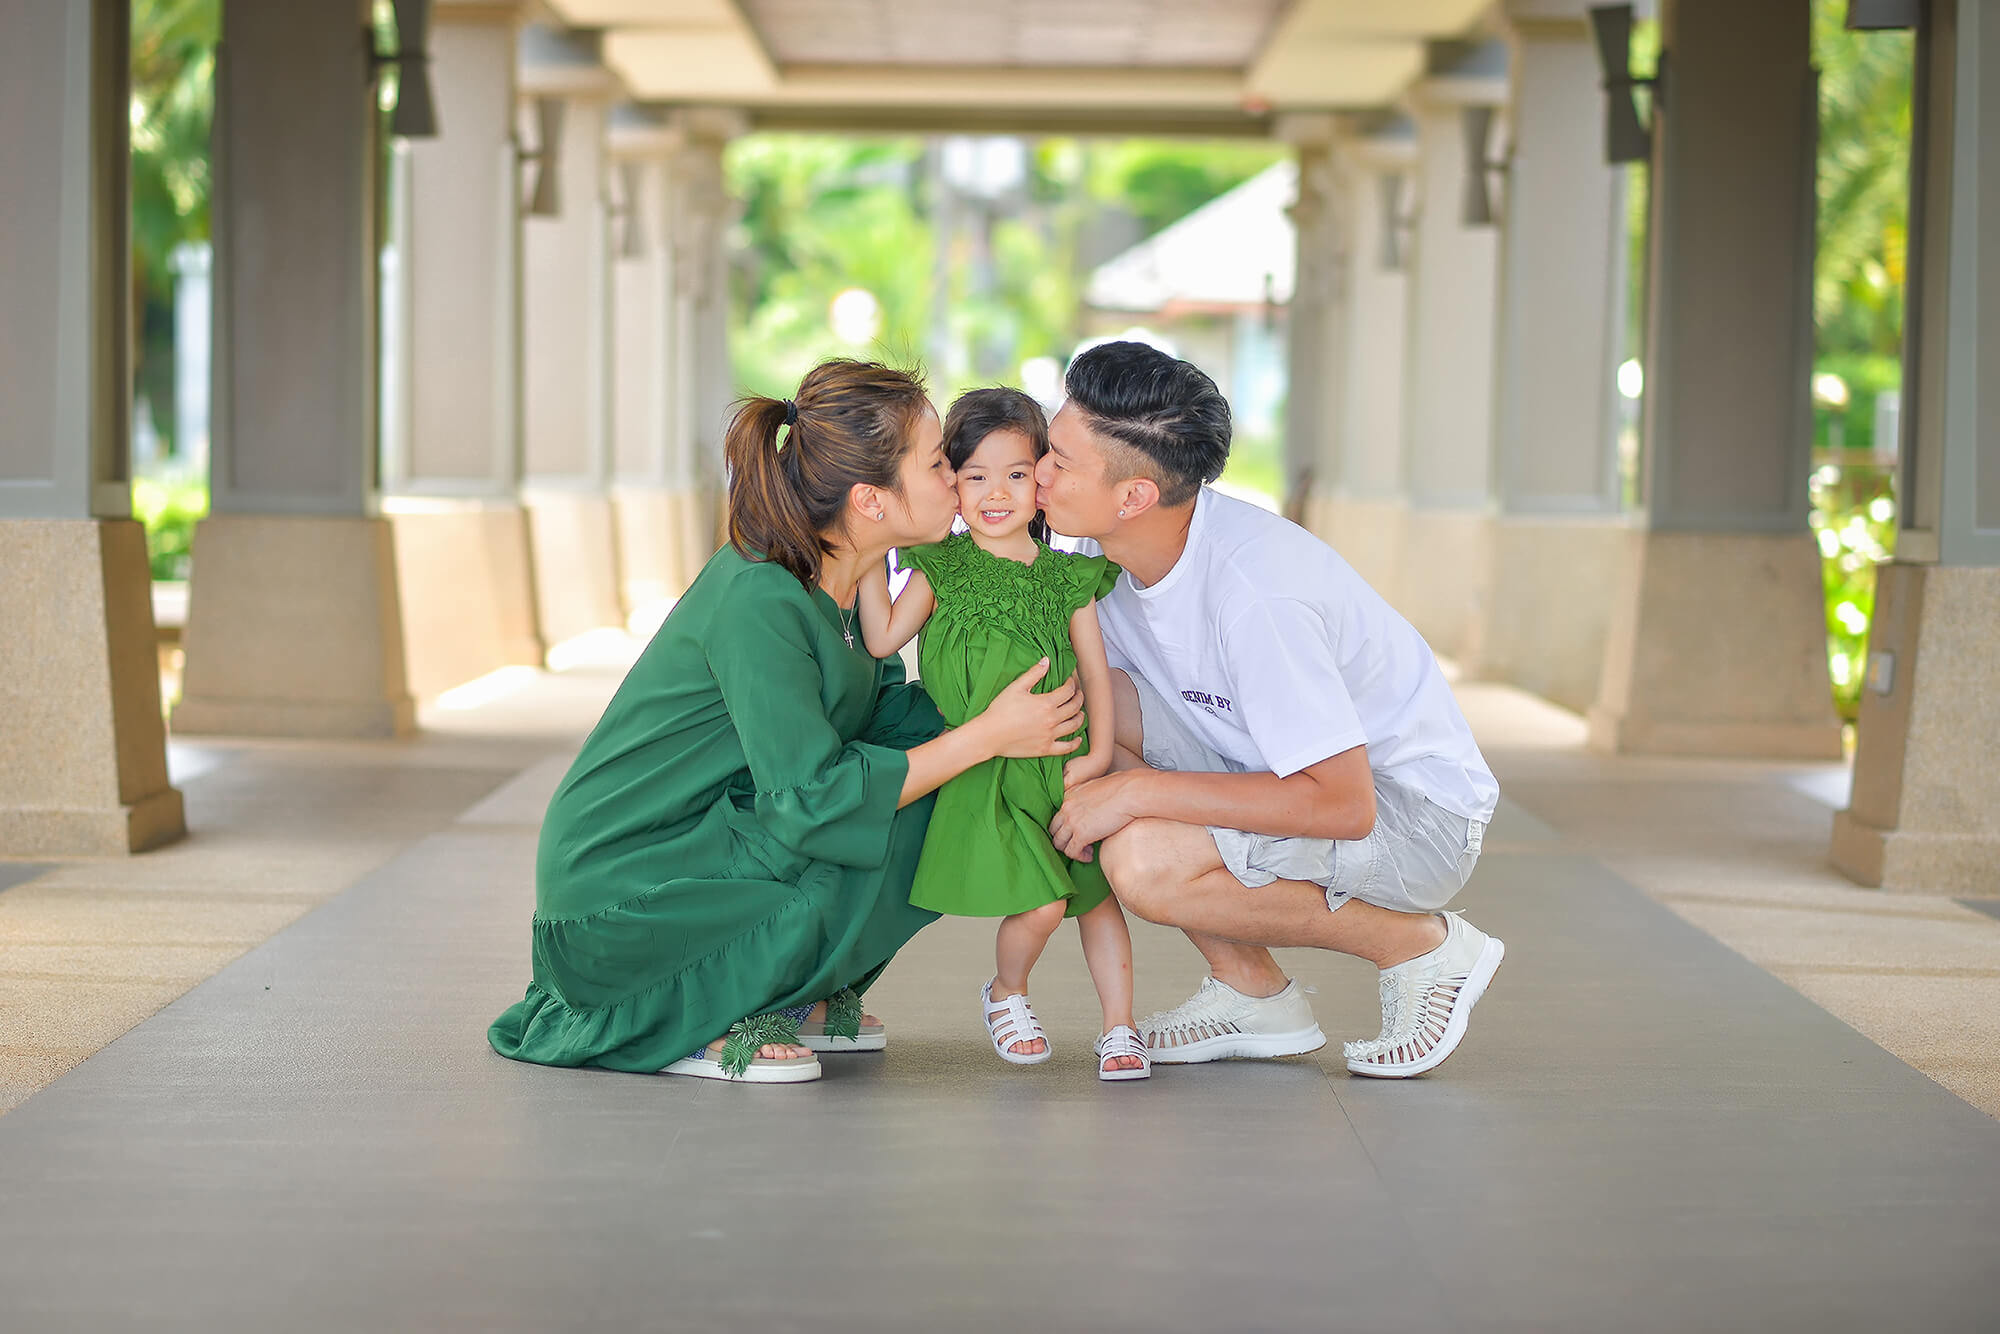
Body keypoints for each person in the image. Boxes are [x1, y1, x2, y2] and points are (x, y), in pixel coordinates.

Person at [488, 360, 1087, 1084]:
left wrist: (1037, 710)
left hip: (718, 831)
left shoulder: (839, 586)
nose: (958, 478)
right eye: (938, 463)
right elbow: (811, 797)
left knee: (951, 776)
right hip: (626, 896)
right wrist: (987, 735)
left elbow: (887, 719)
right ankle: (708, 1013)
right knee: (931, 777)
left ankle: (793, 987)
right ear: (871, 500)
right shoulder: (760, 597)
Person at [1037, 341, 1505, 1079]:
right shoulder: (1110, 558)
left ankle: (1420, 947)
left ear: (1133, 498)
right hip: (1276, 774)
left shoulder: (1255, 595)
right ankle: (1253, 994)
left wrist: (1132, 791)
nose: (1038, 474)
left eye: (1059, 463)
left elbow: (1343, 806)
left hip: (1413, 819)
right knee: (1068, 714)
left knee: (1147, 859)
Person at [859, 388, 1146, 1081]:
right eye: (975, 476)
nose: (995, 493)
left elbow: (1097, 676)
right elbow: (881, 637)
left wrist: (1101, 755)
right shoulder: (942, 569)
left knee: (1096, 899)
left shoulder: (1065, 577)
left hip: (1066, 763)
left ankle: (1121, 1028)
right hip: (989, 775)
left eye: (1016, 474)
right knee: (1045, 902)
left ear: (1041, 480)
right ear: (950, 482)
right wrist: (871, 549)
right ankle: (1007, 991)